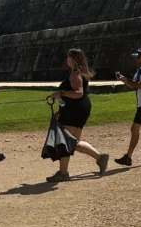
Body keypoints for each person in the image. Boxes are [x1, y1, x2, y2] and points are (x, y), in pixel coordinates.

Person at [45, 49, 109, 184]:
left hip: (75, 109)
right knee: (72, 142)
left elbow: (78, 93)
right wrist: (60, 110)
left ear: (73, 58)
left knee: (66, 141)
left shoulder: (75, 74)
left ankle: (63, 173)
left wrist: (60, 93)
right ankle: (100, 158)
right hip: (78, 109)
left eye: (68, 56)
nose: (66, 58)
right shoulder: (77, 72)